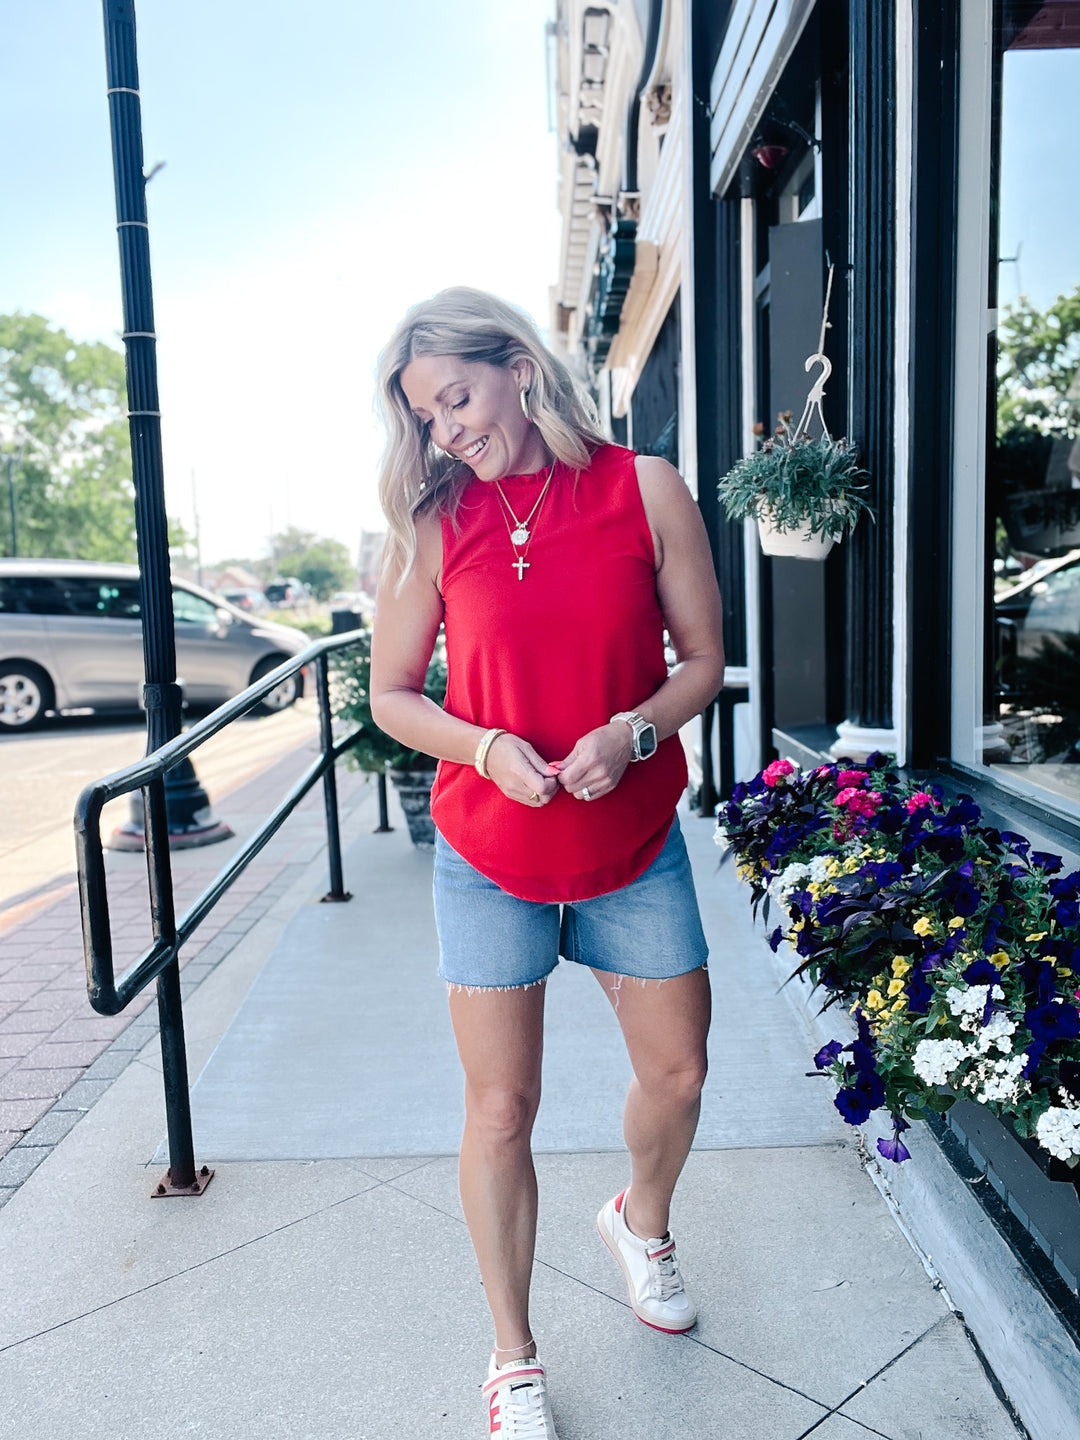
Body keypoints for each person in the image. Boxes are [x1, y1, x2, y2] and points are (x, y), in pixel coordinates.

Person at [370, 287, 725, 1438]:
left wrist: (632, 734)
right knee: (501, 1107)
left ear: (518, 365)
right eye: (425, 417)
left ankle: (641, 1223)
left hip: (631, 843)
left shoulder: (644, 486)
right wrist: (481, 745)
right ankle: (513, 1355)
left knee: (678, 1075)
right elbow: (390, 696)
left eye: (456, 397)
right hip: (488, 852)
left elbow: (703, 662)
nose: (445, 430)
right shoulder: (433, 528)